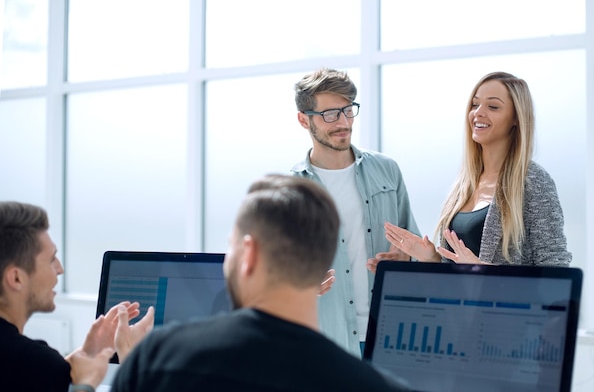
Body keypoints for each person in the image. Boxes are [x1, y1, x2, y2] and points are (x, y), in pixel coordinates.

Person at [111, 175, 411, 392]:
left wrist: (131, 364)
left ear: (249, 254)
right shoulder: (374, 385)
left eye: (231, 247)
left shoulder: (157, 359)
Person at [291, 68, 421, 356]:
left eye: (348, 110)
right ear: (303, 119)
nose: (343, 122)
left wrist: (407, 256)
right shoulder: (291, 191)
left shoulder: (387, 170)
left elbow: (413, 243)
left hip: (389, 336)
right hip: (328, 343)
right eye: (330, 114)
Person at [381, 72, 572, 266]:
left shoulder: (533, 181)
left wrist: (483, 271)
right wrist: (432, 257)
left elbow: (555, 268)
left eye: (493, 106)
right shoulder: (464, 184)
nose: (478, 112)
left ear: (516, 118)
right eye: (475, 104)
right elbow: (458, 270)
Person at [0, 201, 155, 392]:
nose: (60, 269)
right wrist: (129, 360)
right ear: (16, 278)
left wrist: (88, 354)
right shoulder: (34, 363)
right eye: (51, 260)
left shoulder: (32, 367)